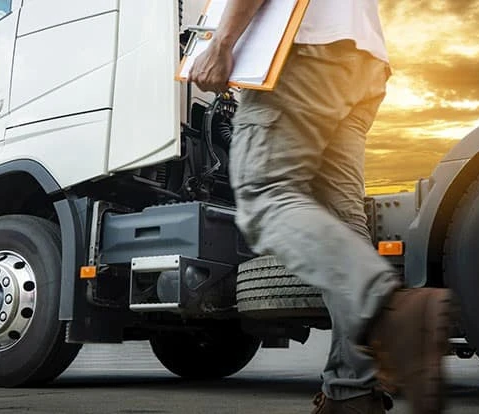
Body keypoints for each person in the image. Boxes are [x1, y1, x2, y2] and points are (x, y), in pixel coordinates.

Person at [188, 1, 454, 413]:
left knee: (264, 195)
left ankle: (391, 310)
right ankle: (352, 390)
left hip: (303, 49)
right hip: (362, 61)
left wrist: (222, 42)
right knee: (345, 225)